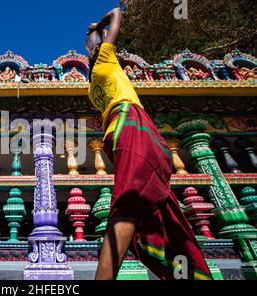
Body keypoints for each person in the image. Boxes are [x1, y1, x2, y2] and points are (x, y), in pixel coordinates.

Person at [86, 1, 212, 280]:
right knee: (130, 198)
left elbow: (93, 45)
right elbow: (117, 14)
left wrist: (93, 36)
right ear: (98, 50)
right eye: (99, 44)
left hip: (121, 133)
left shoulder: (93, 87)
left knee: (157, 206)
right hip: (132, 126)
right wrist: (99, 25)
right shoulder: (107, 60)